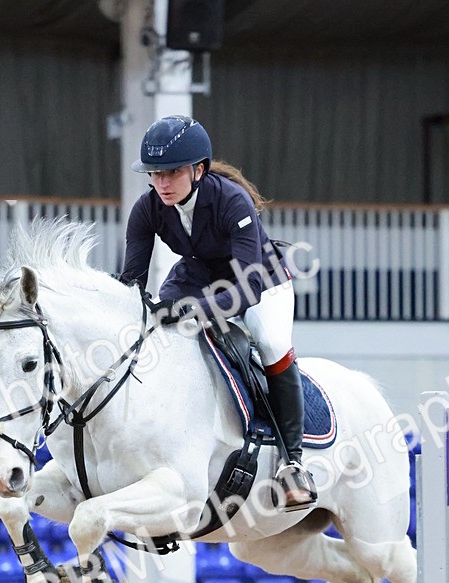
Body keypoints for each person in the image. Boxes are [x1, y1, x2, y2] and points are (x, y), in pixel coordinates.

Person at [120, 115, 316, 510]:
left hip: (260, 279)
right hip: (197, 275)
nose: (162, 184)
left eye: (172, 172)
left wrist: (195, 309)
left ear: (198, 170)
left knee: (272, 343)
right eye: (155, 174)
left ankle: (292, 462)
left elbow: (247, 289)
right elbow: (131, 284)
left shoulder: (231, 201)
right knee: (159, 330)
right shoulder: (148, 208)